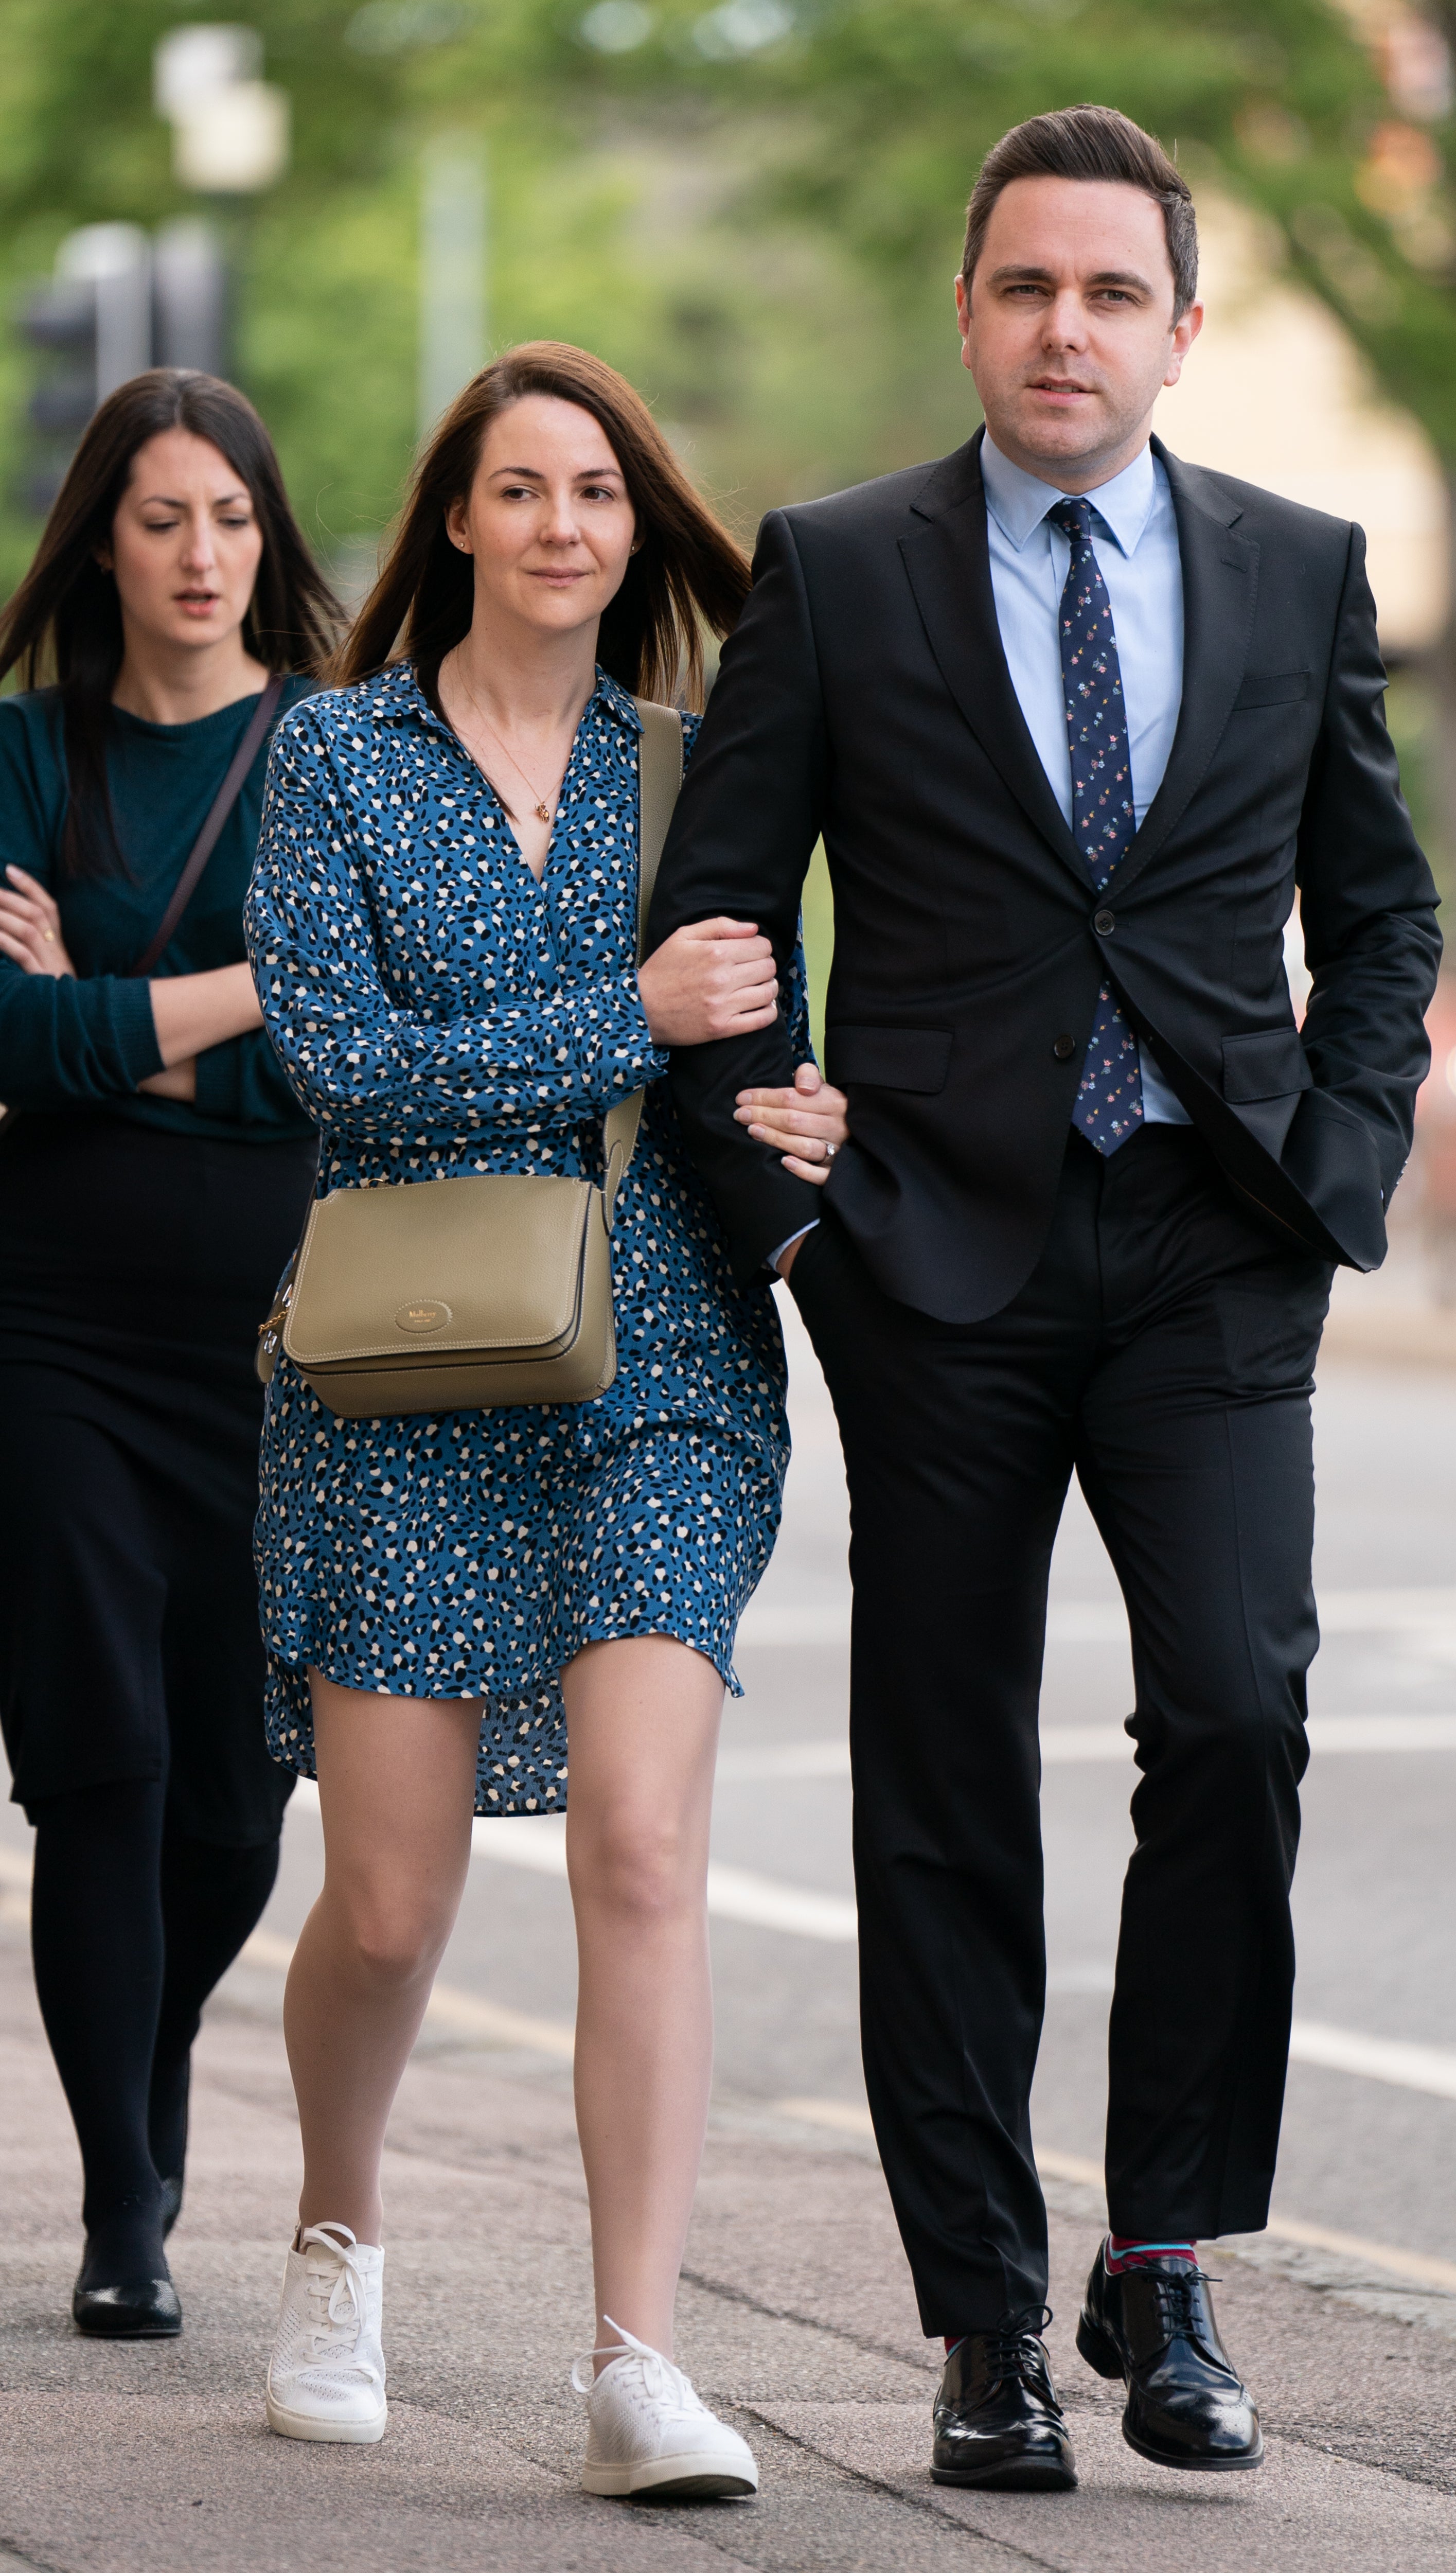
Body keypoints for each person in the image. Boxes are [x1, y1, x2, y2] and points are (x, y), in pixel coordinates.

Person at [648, 106, 1442, 2489]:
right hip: (934, 1261)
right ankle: (986, 2313)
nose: (1063, 327)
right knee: (941, 1790)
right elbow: (710, 932)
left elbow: (1379, 906)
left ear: (1179, 332)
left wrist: (1348, 1149)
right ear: (968, 310)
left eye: (1110, 293)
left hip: (1212, 1242)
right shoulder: (840, 568)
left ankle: (1168, 2258)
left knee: (1235, 1717)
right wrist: (787, 1198)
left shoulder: (1300, 567)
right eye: (1025, 287)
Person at [243, 341, 847, 2494]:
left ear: (633, 525)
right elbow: (342, 1064)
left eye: (597, 490)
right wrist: (624, 1005)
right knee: (392, 1903)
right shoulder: (339, 755)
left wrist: (800, 1109)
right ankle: (336, 2228)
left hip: (663, 1358)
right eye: (521, 489)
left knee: (643, 1836)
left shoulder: (698, 769)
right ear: (460, 523)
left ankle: (635, 2357)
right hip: (406, 1355)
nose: (564, 525)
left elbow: (743, 1061)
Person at [0, 370, 339, 2337]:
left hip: (282, 1342)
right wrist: (228, 1010)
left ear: (265, 539)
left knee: (233, 1790)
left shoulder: (335, 758)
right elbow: (0, 1045)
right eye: (158, 520)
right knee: (98, 1766)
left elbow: (354, 1034)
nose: (198, 555)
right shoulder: (25, 760)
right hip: (44, 1321)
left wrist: (116, 1014)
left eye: (227, 517)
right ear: (101, 545)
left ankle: (147, 2060)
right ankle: (127, 2206)